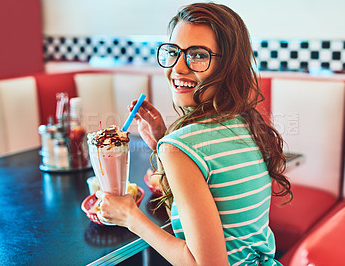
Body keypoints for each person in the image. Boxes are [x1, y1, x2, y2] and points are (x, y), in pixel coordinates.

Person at [95, 2, 291, 265]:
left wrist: (130, 216)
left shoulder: (182, 146)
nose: (178, 67)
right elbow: (191, 223)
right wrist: (161, 146)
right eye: (173, 51)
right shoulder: (247, 122)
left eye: (198, 55)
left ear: (228, 66)